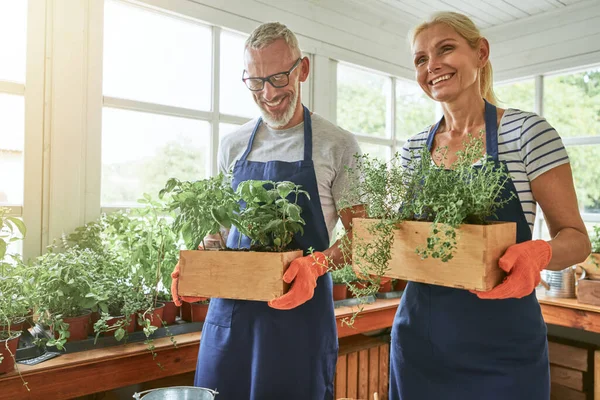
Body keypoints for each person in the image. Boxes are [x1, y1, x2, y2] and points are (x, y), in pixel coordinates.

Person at [390, 11, 592, 400]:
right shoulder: (415, 148)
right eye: (420, 59)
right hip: (419, 341)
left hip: (503, 347)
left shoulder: (527, 133)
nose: (432, 65)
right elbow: (411, 239)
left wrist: (540, 253)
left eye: (445, 49)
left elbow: (577, 240)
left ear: (480, 52)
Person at [170, 22, 363, 400]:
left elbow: (363, 238)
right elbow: (220, 232)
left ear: (302, 70)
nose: (269, 93)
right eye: (256, 82)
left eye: (278, 77)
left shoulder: (337, 145)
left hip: (300, 319)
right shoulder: (233, 145)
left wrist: (316, 266)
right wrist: (198, 268)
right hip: (231, 319)